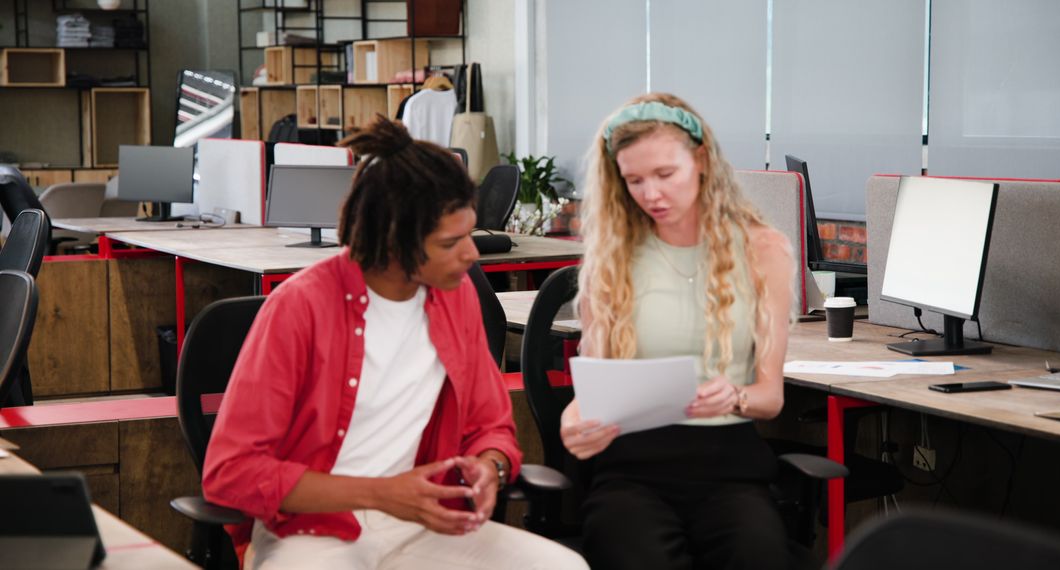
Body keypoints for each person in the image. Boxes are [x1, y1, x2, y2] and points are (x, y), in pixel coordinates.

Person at [202, 116, 587, 570]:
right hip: (313, 530)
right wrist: (382, 495)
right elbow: (232, 473)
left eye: (470, 232)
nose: (472, 254)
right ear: (393, 243)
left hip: (424, 525)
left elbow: (492, 426)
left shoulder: (456, 295)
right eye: (451, 242)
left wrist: (491, 467)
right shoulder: (299, 308)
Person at [560, 93, 795, 570]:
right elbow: (593, 392)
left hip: (730, 467)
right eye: (634, 181)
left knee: (758, 553)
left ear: (702, 160)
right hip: (631, 468)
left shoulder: (763, 250)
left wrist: (735, 396)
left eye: (666, 175)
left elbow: (771, 398)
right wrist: (573, 423)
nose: (651, 195)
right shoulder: (614, 260)